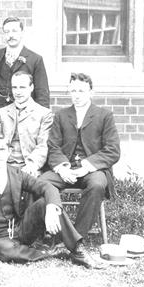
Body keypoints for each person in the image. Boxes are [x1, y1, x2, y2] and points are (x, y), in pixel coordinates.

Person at [0, 136, 104, 268]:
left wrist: (51, 207)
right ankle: (51, 254)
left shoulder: (17, 174)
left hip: (20, 230)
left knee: (47, 202)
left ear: (9, 152)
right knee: (3, 249)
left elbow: (47, 186)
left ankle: (77, 249)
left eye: (2, 150)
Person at [38, 72, 120, 239]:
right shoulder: (61, 115)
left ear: (91, 92)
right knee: (42, 181)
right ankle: (53, 231)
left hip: (93, 170)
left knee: (97, 185)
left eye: (81, 91)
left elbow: (113, 150)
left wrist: (86, 167)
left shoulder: (104, 116)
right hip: (66, 168)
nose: (77, 95)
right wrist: (62, 168)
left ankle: (76, 236)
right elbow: (53, 146)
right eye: (73, 91)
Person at [0, 16, 50, 123]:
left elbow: (42, 92)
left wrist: (41, 119)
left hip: (24, 115)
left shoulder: (35, 59)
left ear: (22, 32)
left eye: (14, 31)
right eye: (7, 32)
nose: (10, 35)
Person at [0, 71, 53, 176]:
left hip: (29, 166)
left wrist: (32, 165)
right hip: (3, 165)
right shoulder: (1, 113)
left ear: (31, 87)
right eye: (14, 87)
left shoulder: (44, 114)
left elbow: (43, 145)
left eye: (22, 87)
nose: (18, 92)